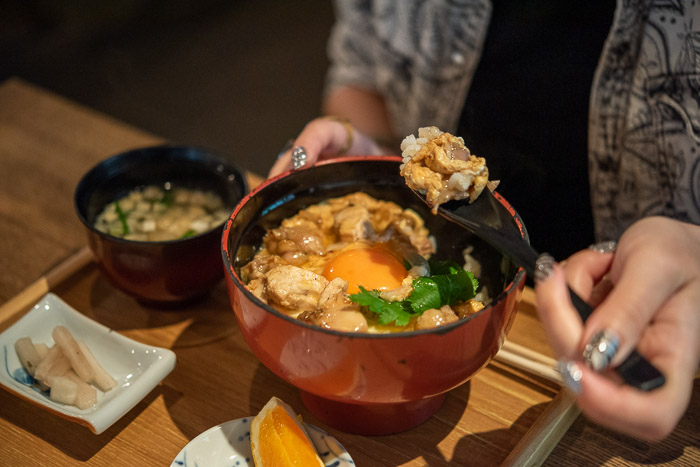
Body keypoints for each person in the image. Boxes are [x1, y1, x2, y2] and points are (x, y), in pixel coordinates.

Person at [268, 0, 700, 441]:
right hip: (440, 226)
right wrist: (366, 158)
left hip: (634, 296)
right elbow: (360, 76)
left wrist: (693, 248)